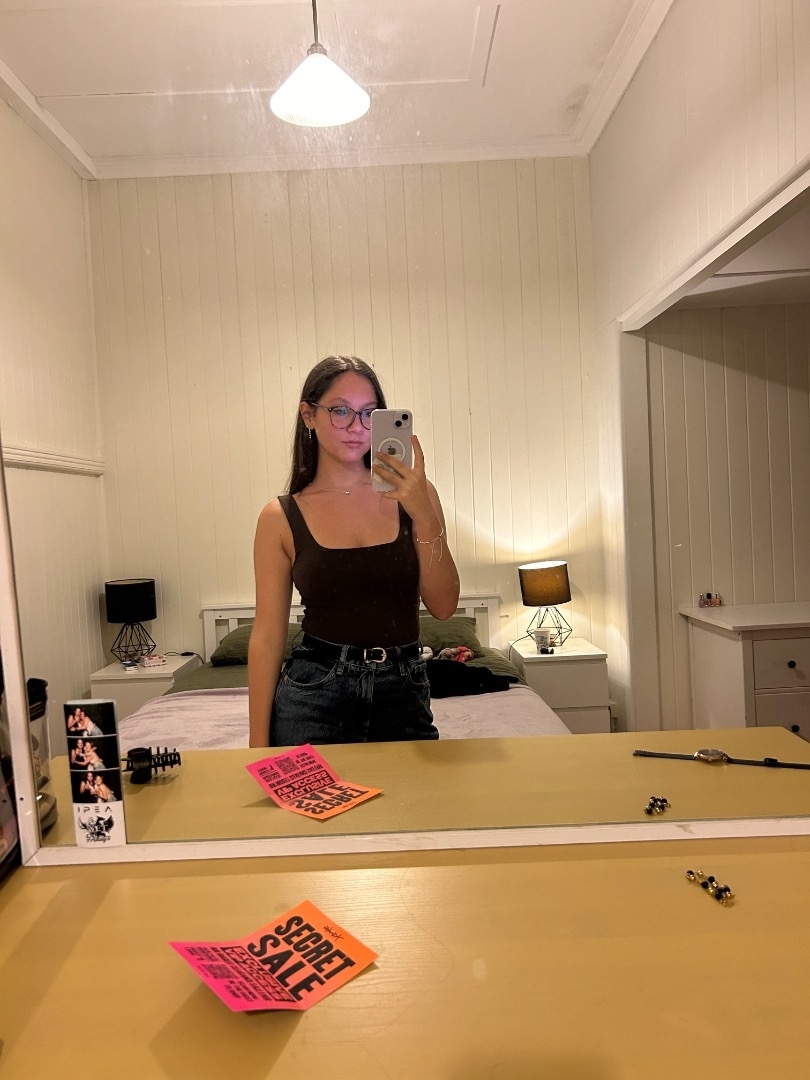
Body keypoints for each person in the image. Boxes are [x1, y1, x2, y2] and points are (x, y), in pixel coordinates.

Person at [249, 355, 460, 747]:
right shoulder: (280, 517)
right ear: (308, 415)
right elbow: (267, 635)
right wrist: (257, 745)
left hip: (404, 693)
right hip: (314, 694)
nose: (356, 427)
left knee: (414, 791)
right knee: (313, 792)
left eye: (368, 413)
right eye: (340, 411)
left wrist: (424, 515)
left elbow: (445, 606)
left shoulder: (416, 496)